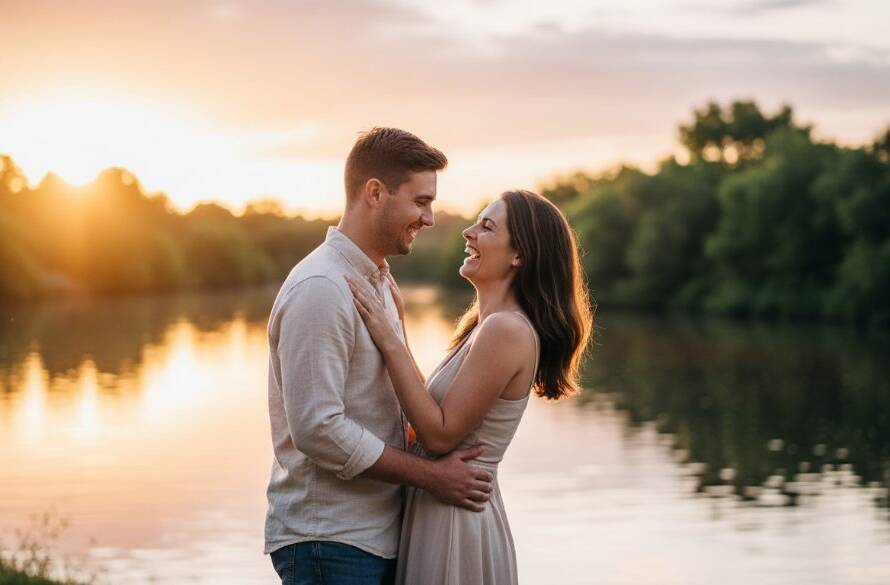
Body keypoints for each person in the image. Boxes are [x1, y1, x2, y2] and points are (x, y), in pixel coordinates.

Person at [265, 127, 494, 585]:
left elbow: (381, 408)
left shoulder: (379, 284)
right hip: (330, 542)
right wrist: (431, 476)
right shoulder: (322, 289)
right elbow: (318, 428)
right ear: (375, 193)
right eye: (421, 201)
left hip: (371, 537)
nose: (429, 218)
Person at [347, 189, 594, 585]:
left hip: (455, 523)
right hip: (442, 510)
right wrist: (397, 329)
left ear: (519, 256)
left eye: (487, 226)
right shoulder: (485, 326)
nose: (468, 231)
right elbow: (430, 416)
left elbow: (440, 435)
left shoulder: (506, 329)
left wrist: (389, 338)